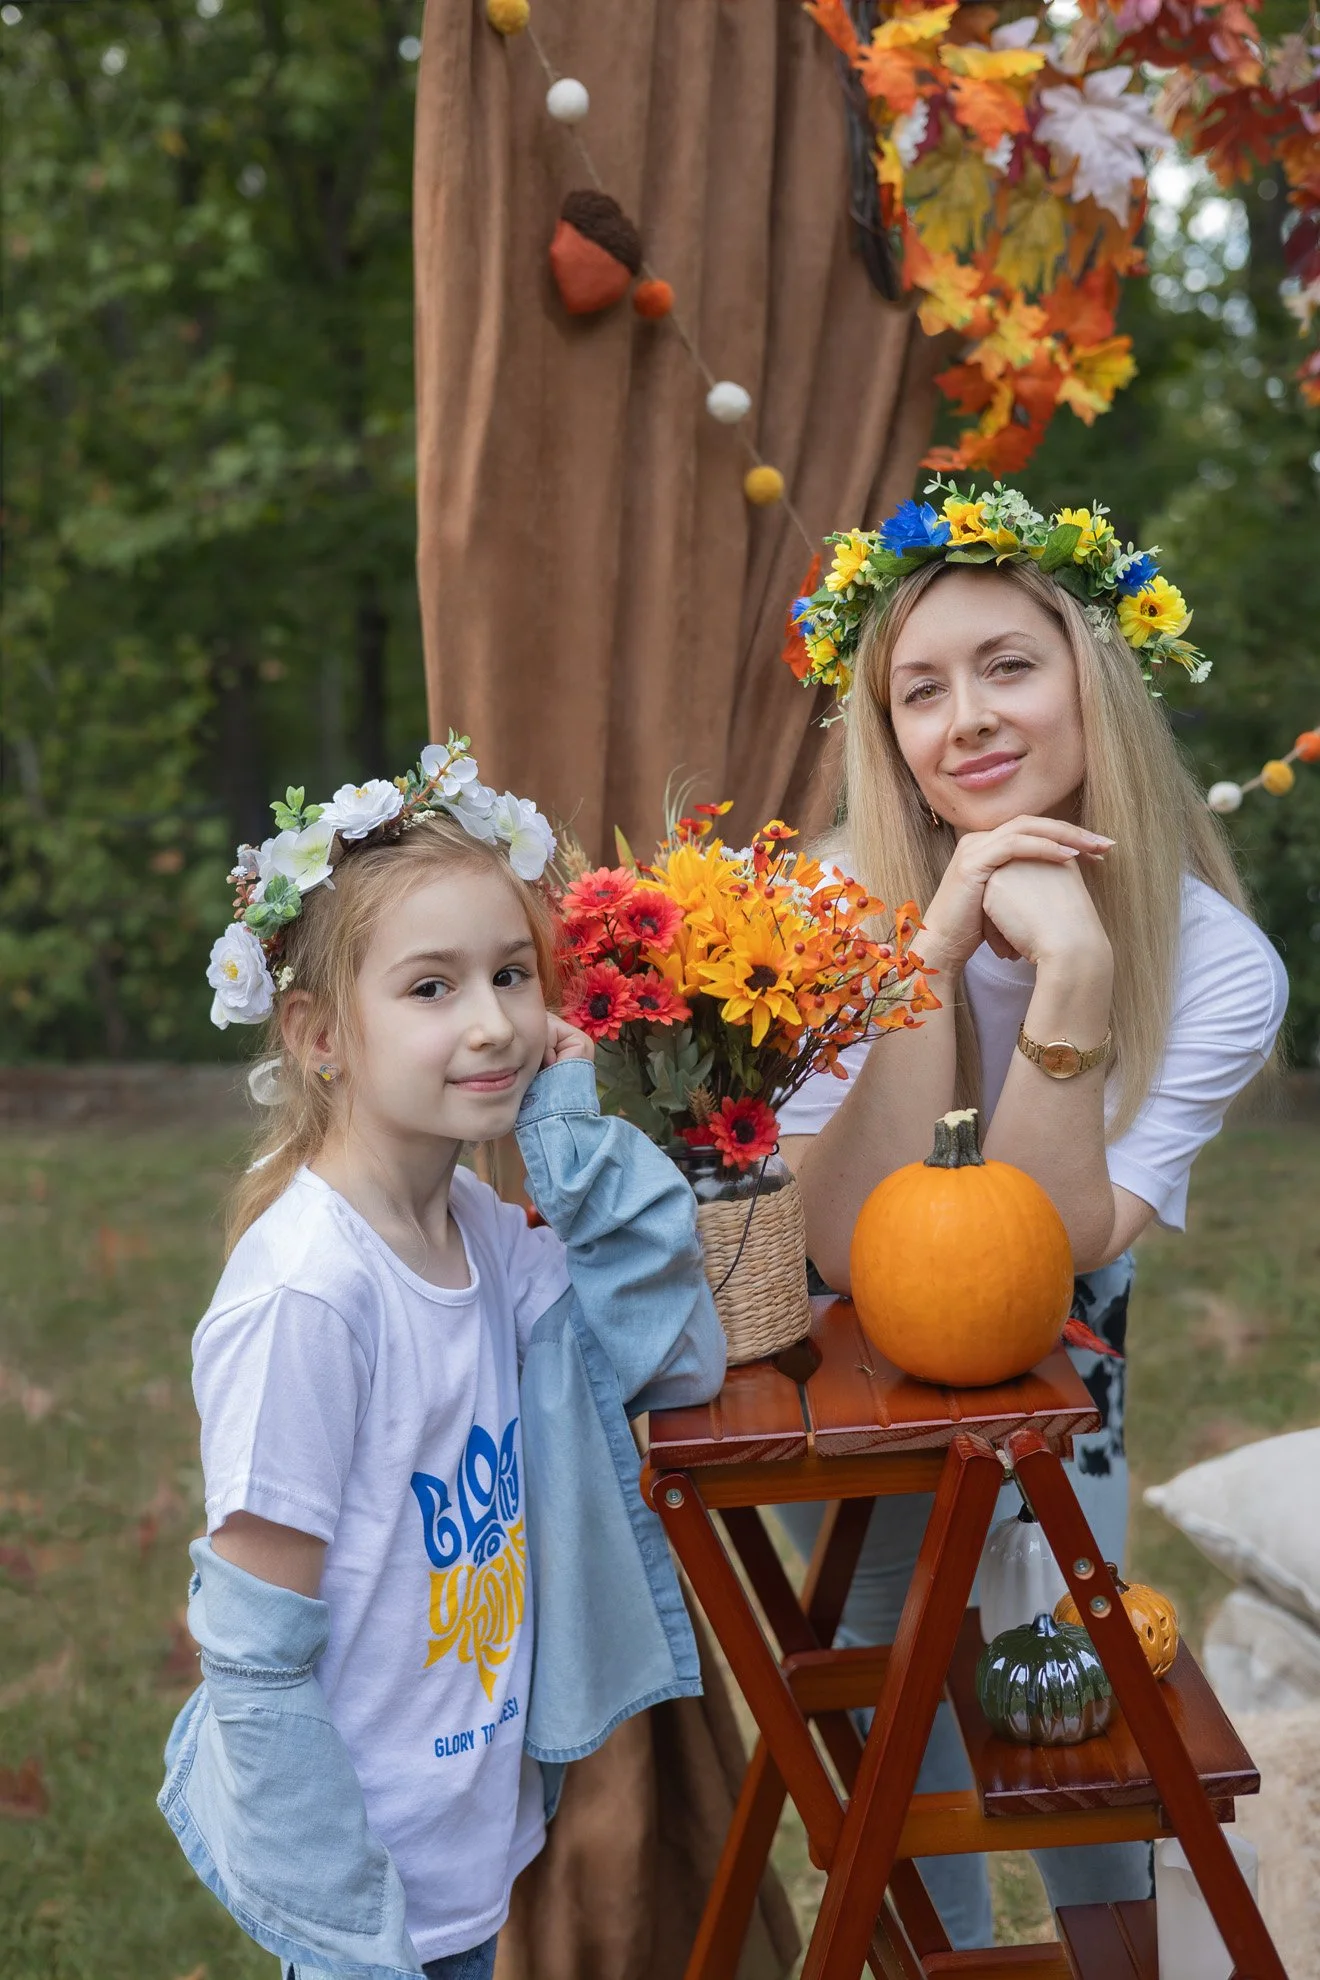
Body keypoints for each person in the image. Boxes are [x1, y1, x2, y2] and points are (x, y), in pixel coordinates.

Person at [776, 486, 1289, 1947]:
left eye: (1008, 665)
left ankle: (1116, 1958)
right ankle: (933, 1958)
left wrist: (1066, 985)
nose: (967, 721)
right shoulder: (825, 908)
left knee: (1061, 1648)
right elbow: (839, 1246)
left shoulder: (1214, 963)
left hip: (1062, 1337)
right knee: (885, 1633)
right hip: (838, 1340)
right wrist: (930, 960)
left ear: (1091, 681)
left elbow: (1053, 1247)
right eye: (919, 692)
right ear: (889, 739)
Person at [158, 740, 726, 1980]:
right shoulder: (312, 1294)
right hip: (360, 1886)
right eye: (431, 988)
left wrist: (568, 1134)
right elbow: (253, 1660)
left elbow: (672, 1352)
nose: (493, 1025)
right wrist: (355, 1936)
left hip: (469, 1840)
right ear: (317, 1034)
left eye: (513, 975)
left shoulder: (481, 1232)